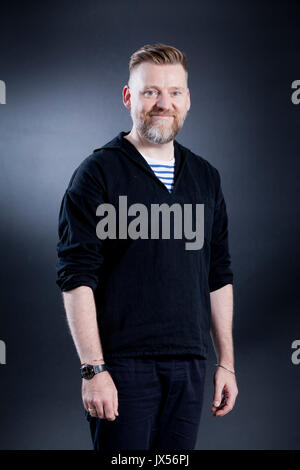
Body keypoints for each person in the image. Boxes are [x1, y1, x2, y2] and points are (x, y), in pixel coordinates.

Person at [56, 43, 238, 451]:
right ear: (128, 97)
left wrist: (225, 362)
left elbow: (219, 275)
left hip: (190, 365)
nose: (163, 103)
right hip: (122, 368)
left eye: (174, 92)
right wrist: (93, 369)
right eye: (150, 91)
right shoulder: (98, 172)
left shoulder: (206, 178)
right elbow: (75, 276)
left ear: (187, 99)